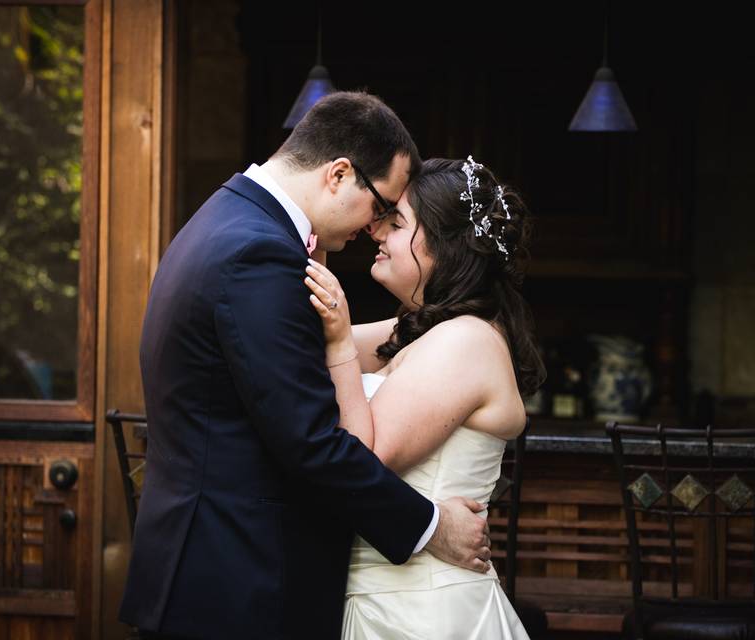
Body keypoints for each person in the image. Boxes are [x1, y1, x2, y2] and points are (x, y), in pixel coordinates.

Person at [118, 92, 492, 640]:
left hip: (208, 574)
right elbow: (312, 442)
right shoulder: (260, 256)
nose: (374, 229)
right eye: (381, 205)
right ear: (339, 174)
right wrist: (432, 527)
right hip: (238, 588)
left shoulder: (225, 219)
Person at [303, 156, 546, 639]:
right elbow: (305, 345)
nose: (376, 233)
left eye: (396, 223)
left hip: (421, 611)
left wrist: (336, 342)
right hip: (384, 600)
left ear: (446, 248)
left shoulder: (465, 342)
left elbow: (364, 458)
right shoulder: (423, 332)